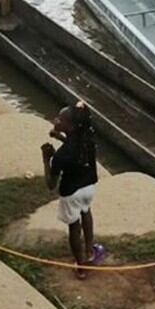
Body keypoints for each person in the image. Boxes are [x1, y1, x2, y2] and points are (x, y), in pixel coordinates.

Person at [41, 101, 104, 280]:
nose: (56, 120)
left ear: (70, 125)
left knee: (74, 227)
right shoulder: (88, 138)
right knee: (86, 212)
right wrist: (61, 137)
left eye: (60, 119)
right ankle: (90, 250)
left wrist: (47, 159)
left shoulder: (61, 156)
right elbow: (73, 145)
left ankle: (81, 266)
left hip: (72, 192)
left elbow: (51, 184)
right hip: (89, 187)